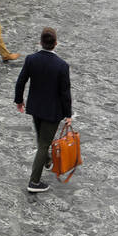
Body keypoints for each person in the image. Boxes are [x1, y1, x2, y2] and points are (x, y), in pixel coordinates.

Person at [15, 28, 74, 194]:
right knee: (43, 144)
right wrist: (68, 114)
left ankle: (47, 161)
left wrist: (19, 100)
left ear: (40, 42)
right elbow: (65, 93)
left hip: (35, 107)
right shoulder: (62, 66)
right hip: (52, 112)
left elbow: (21, 81)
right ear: (56, 43)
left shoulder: (31, 59)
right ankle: (34, 181)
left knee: (41, 138)